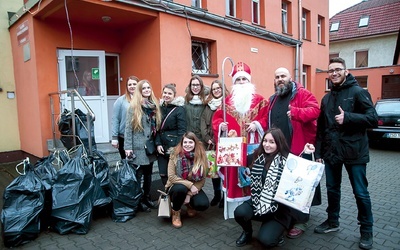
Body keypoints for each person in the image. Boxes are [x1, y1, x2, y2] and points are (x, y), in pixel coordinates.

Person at [314, 57, 378, 250]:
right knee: (332, 189)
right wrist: (318, 152)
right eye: (331, 70)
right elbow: (321, 129)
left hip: (355, 152)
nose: (334, 73)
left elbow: (373, 119)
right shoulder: (326, 98)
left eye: (338, 70)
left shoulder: (358, 92)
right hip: (332, 152)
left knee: (360, 192)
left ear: (346, 71)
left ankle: (366, 230)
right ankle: (332, 222)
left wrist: (348, 117)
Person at [234, 128, 315, 248]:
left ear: (279, 143)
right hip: (258, 201)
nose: (267, 145)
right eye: (265, 141)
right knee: (240, 212)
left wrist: (307, 154)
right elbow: (237, 157)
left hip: (279, 208)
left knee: (266, 241)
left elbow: (304, 175)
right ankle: (247, 232)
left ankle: (277, 231)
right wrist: (233, 140)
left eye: (272, 142)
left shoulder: (288, 160)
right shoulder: (257, 156)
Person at [265, 67, 320, 238]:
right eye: (277, 77)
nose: (280, 79)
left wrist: (296, 113)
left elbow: (315, 110)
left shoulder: (303, 94)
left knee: (301, 185)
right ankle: (286, 216)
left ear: (290, 78)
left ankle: (302, 221)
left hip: (298, 147)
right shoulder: (273, 98)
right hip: (279, 151)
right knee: (286, 185)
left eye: (283, 76)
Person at [212, 61, 268, 218]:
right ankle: (233, 210)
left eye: (244, 79)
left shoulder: (261, 100)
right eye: (238, 80)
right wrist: (221, 127)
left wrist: (257, 124)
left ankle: (255, 208)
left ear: (249, 81)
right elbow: (216, 120)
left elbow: (267, 120)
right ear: (234, 82)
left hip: (253, 147)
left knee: (254, 174)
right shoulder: (226, 102)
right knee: (234, 175)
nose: (242, 83)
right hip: (233, 149)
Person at [125, 79, 162, 211]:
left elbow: (156, 128)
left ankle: (147, 197)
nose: (146, 90)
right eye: (144, 88)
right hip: (138, 147)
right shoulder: (133, 107)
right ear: (140, 91)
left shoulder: (154, 106)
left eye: (148, 88)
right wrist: (128, 147)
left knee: (148, 175)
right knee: (138, 176)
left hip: (150, 147)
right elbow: (128, 129)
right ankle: (139, 201)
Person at [165, 132, 210, 228]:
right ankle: (176, 212)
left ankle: (189, 204)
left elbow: (202, 179)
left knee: (203, 204)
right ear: (181, 143)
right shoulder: (174, 154)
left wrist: (189, 194)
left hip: (193, 188)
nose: (187, 145)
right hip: (176, 186)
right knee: (180, 188)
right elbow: (172, 177)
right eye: (185, 142)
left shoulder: (201, 156)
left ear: (195, 144)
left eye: (190, 142)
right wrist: (190, 185)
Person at [200, 80, 229, 208]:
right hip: (211, 143)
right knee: (214, 171)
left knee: (225, 170)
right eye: (214, 89)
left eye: (218, 88)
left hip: (224, 142)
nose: (216, 90)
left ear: (223, 89)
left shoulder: (228, 103)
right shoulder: (208, 105)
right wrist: (207, 138)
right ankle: (217, 194)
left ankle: (225, 196)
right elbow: (203, 123)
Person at [155, 83, 187, 186]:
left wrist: (177, 148)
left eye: (170, 93)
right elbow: (156, 129)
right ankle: (167, 196)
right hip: (161, 147)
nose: (166, 95)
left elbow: (182, 130)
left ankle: (174, 197)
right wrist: (158, 144)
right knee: (163, 173)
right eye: (165, 93)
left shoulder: (179, 109)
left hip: (173, 147)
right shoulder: (159, 108)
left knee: (173, 174)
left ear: (174, 95)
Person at [111, 76, 139, 159]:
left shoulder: (143, 99)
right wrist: (114, 137)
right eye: (129, 84)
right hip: (124, 137)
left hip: (139, 138)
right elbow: (115, 119)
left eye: (134, 84)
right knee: (127, 165)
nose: (132, 86)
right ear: (127, 87)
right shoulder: (120, 101)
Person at [184, 75, 208, 142]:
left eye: (197, 85)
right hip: (188, 138)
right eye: (193, 85)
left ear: (201, 86)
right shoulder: (185, 102)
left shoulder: (207, 102)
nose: (195, 87)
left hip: (203, 138)